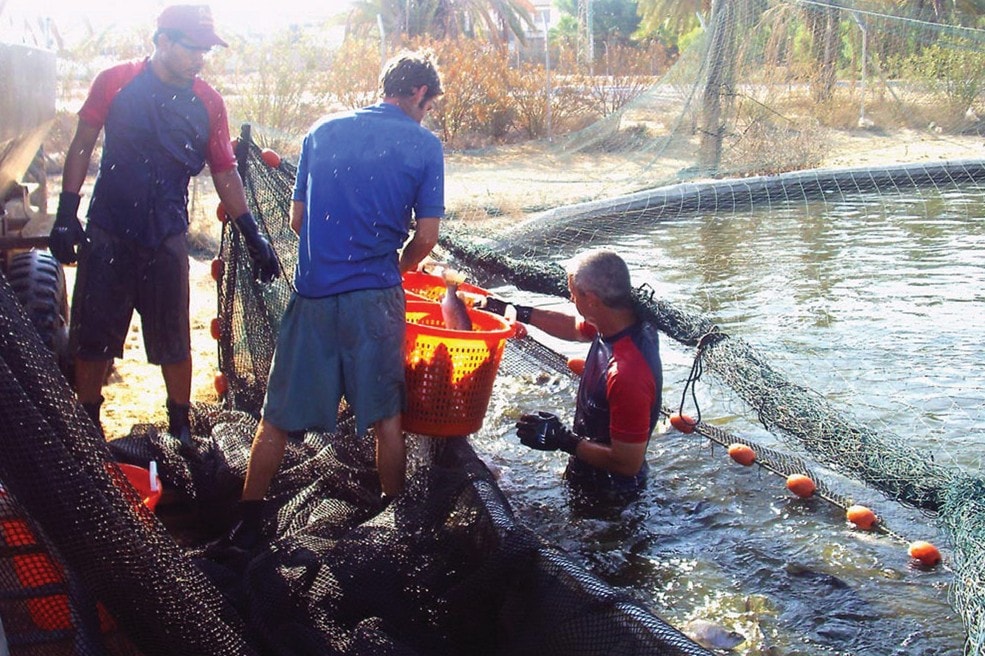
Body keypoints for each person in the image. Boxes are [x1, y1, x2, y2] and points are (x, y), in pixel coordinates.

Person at [227, 50, 445, 546]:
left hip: (314, 296)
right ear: (418, 93)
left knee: (275, 419)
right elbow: (427, 237)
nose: (424, 112)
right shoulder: (424, 145)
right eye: (426, 104)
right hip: (375, 300)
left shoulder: (321, 130)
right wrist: (399, 266)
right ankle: (393, 524)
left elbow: (297, 220)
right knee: (387, 420)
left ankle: (248, 522)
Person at [49, 5, 279, 444]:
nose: (201, 58)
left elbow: (225, 170)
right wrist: (65, 213)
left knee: (175, 339)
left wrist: (253, 235)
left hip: (167, 234)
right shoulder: (115, 81)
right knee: (94, 335)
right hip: (109, 228)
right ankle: (87, 424)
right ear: (164, 42)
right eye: (194, 48)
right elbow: (81, 146)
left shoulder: (208, 102)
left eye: (206, 51)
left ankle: (180, 425)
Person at [482, 250, 662, 507]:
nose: (569, 298)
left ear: (591, 299)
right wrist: (513, 311)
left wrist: (563, 439)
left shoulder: (627, 372)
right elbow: (575, 328)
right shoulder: (616, 319)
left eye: (573, 293)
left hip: (611, 495)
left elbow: (627, 464)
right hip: (586, 467)